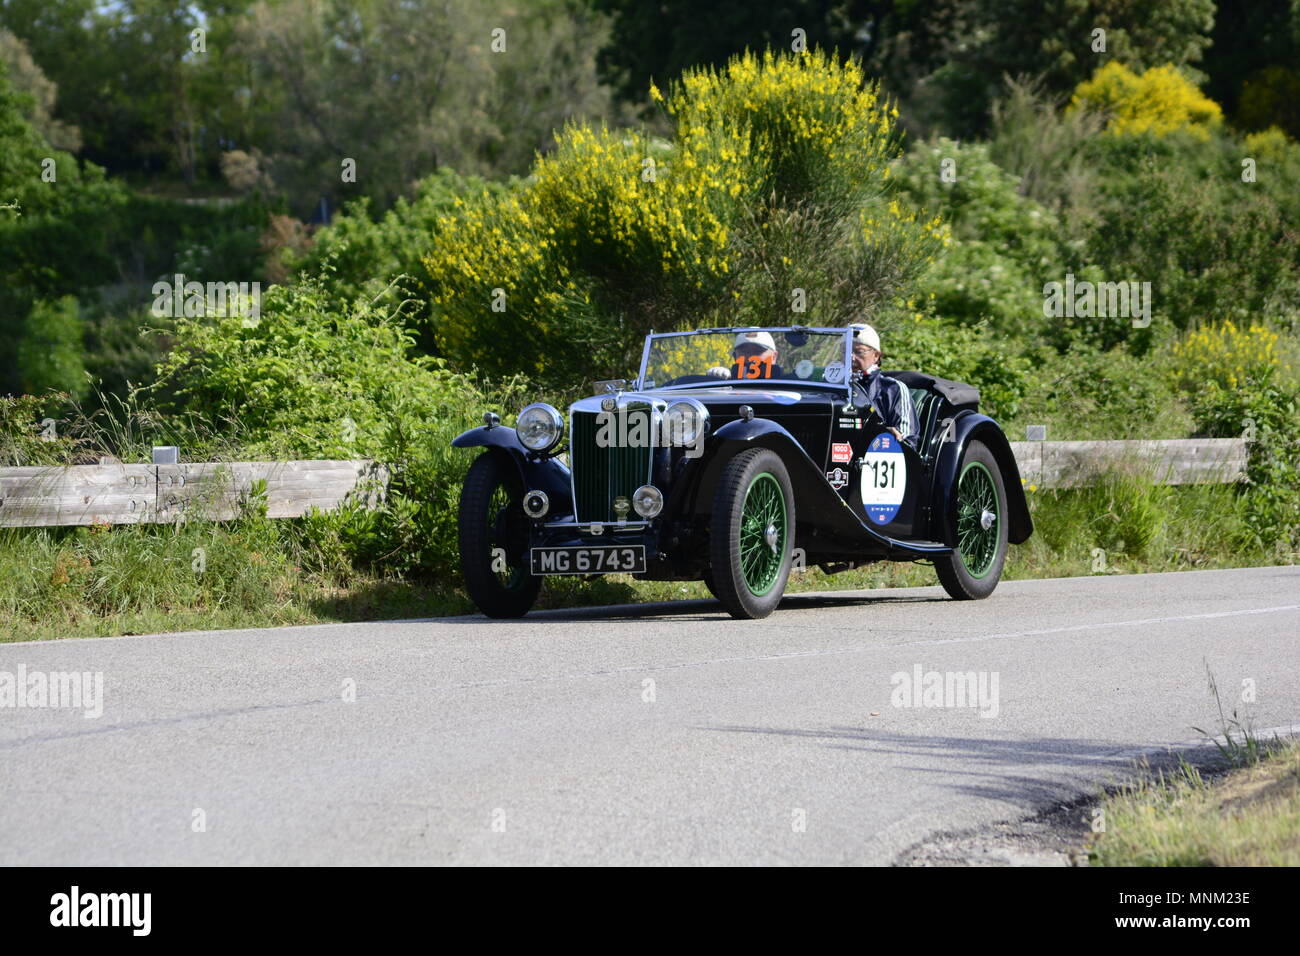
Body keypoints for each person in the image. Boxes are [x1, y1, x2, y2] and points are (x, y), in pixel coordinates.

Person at [848, 323, 916, 446]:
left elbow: (907, 442)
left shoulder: (893, 389)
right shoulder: (830, 386)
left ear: (876, 356)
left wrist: (882, 434)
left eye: (859, 352)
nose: (851, 357)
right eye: (845, 351)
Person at [708, 330, 784, 380]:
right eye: (744, 351)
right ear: (735, 356)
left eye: (757, 351)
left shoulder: (784, 382)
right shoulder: (729, 381)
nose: (751, 357)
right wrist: (719, 376)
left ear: (774, 357)